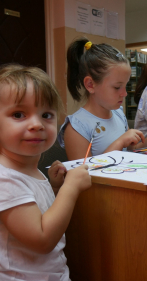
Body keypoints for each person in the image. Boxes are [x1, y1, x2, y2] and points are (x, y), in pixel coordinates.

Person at [0, 64, 91, 280]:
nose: (37, 124)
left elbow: (34, 211)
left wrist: (54, 187)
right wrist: (71, 187)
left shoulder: (27, 170)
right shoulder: (5, 179)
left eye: (47, 114)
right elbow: (42, 239)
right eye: (19, 114)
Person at [58, 39, 147, 161]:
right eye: (117, 87)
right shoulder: (76, 127)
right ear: (90, 85)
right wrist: (120, 142)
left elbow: (132, 151)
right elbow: (83, 174)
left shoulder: (118, 113)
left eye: (125, 86)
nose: (124, 93)